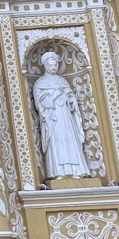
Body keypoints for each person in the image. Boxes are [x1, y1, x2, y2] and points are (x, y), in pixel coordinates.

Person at [32, 51, 91, 180]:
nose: (53, 68)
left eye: (55, 65)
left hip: (66, 117)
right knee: (57, 143)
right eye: (51, 66)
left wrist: (70, 100)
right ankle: (58, 172)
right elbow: (40, 102)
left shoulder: (62, 80)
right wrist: (55, 95)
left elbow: (71, 97)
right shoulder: (40, 83)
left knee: (70, 142)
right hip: (52, 119)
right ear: (45, 66)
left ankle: (77, 171)